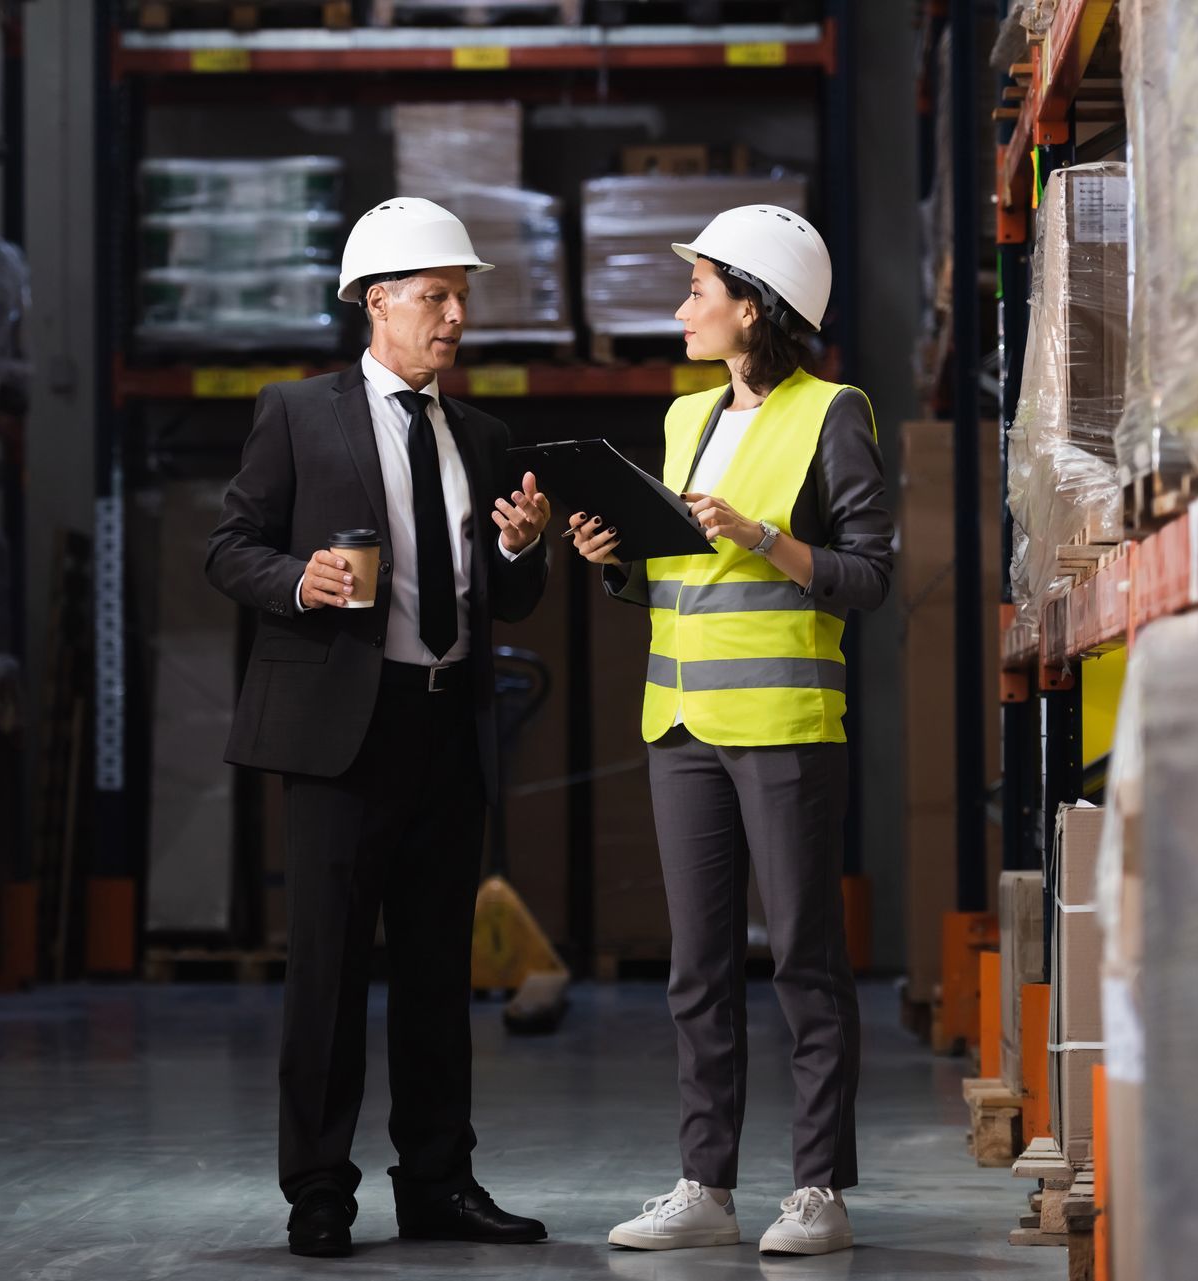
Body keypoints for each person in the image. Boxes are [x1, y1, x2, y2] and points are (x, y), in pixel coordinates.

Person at [205, 196, 554, 1260]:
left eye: (462, 298)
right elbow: (227, 546)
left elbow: (519, 598)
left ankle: (439, 1184)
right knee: (327, 973)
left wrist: (524, 546)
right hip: (343, 735)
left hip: (451, 729)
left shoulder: (484, 436)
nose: (455, 317)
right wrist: (298, 582)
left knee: (439, 975)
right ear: (374, 302)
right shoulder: (298, 414)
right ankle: (318, 1192)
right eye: (435, 297)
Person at [569, 205, 893, 1257]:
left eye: (700, 290)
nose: (683, 308)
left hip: (786, 722)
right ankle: (704, 1184)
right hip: (681, 723)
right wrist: (612, 554)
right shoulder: (680, 420)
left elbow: (870, 576)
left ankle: (818, 1192)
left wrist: (767, 539)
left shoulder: (835, 413)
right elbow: (674, 575)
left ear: (754, 308)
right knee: (698, 966)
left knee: (804, 957)